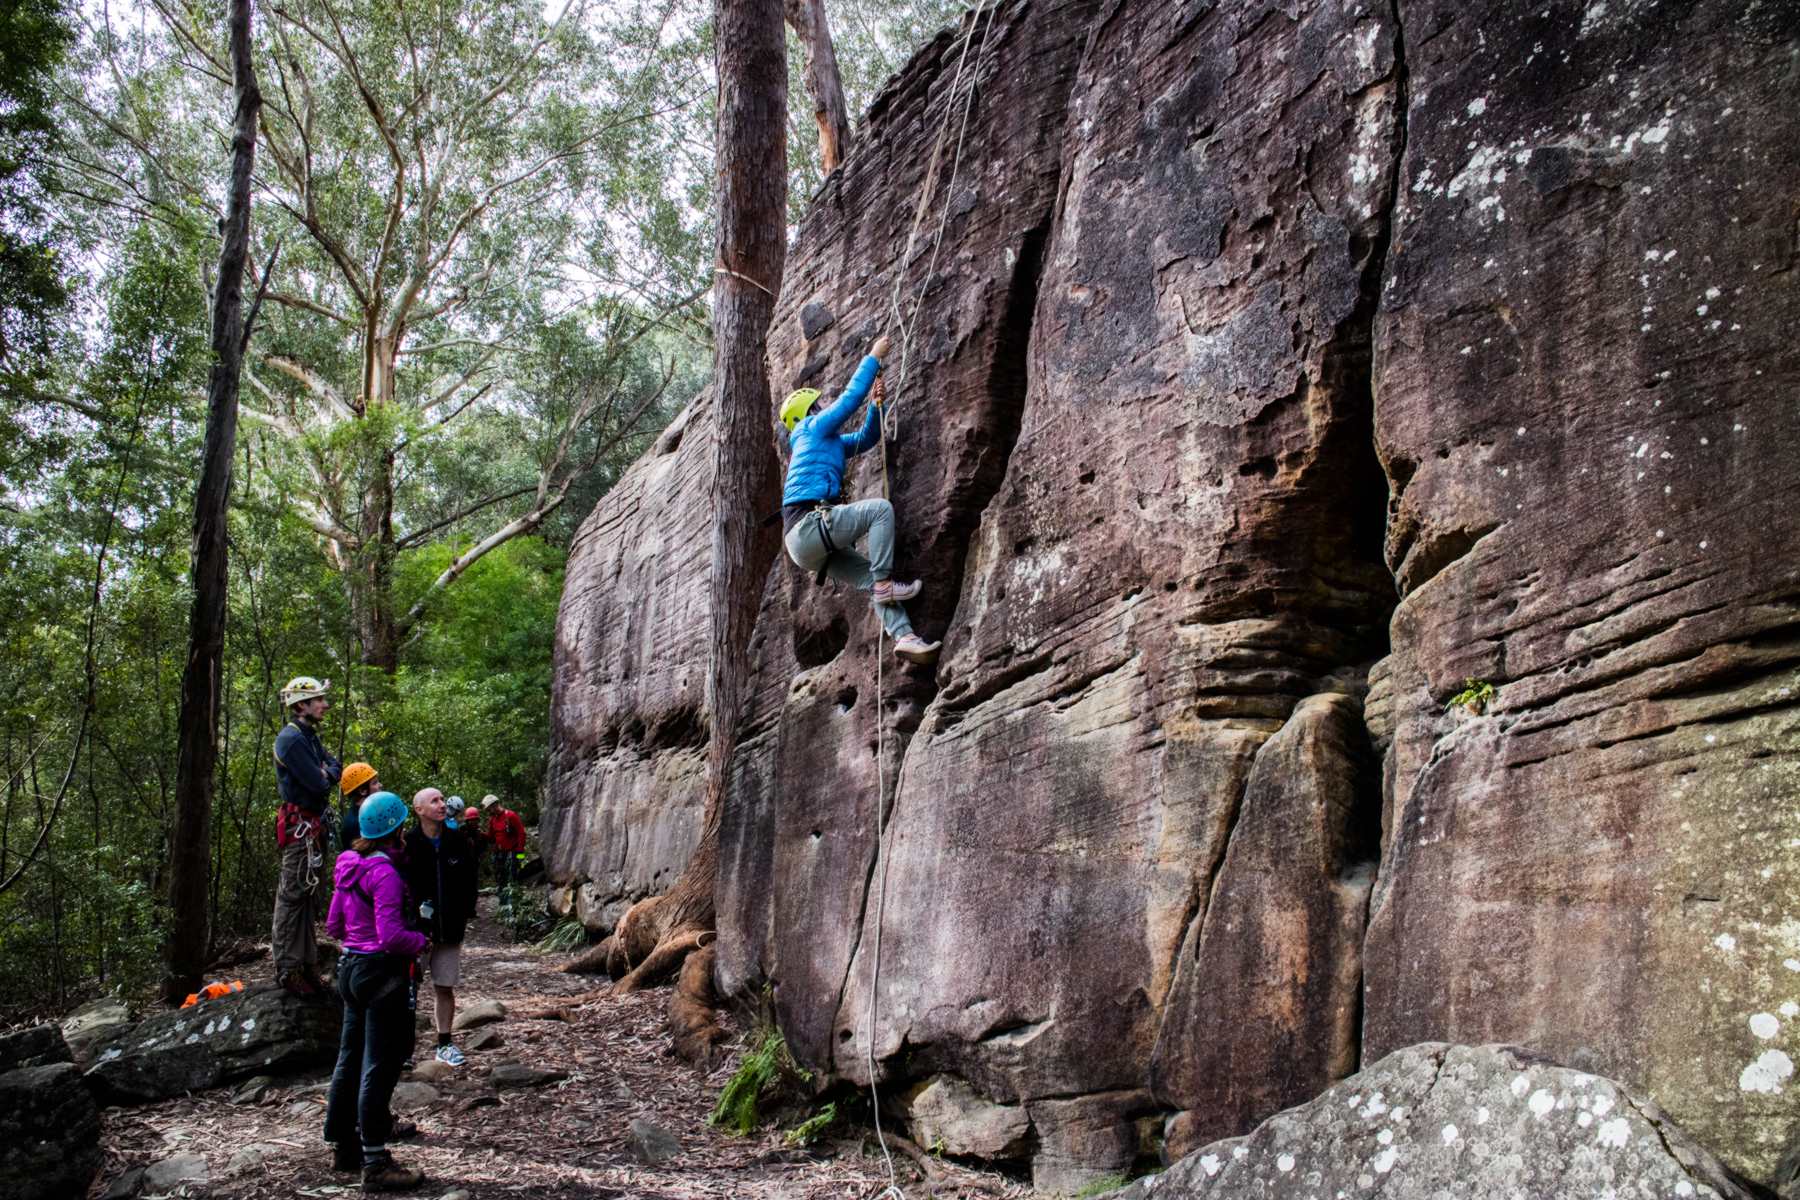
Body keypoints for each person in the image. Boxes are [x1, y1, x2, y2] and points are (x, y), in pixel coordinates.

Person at [778, 333, 940, 665]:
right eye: (818, 405)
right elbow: (849, 399)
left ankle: (905, 637)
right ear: (809, 411)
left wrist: (876, 408)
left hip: (805, 545)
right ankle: (885, 584)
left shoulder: (828, 442)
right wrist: (873, 357)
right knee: (880, 511)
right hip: (808, 526)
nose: (823, 407)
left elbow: (866, 439)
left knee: (869, 577)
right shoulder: (810, 429)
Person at [323, 790, 428, 1193]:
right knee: (379, 1066)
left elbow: (334, 926)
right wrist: (419, 941)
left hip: (350, 970)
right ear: (395, 829)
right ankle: (376, 1163)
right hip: (380, 974)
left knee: (349, 1060)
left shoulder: (349, 867)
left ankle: (344, 1145)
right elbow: (390, 936)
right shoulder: (383, 872)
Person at [272, 675, 341, 997]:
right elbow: (320, 782)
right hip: (301, 828)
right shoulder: (292, 739)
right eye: (319, 701)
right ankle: (287, 969)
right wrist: (327, 772)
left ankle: (307, 963)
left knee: (308, 897)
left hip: (312, 827)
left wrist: (328, 771)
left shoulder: (307, 736)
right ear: (301, 705)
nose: (325, 705)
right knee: (292, 896)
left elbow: (333, 768)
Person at [400, 788, 478, 1068]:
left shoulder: (458, 841)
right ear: (419, 809)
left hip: (450, 930)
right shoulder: (407, 844)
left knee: (444, 987)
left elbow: (471, 880)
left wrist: (464, 913)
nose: (442, 805)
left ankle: (444, 1044)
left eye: (442, 800)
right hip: (415, 933)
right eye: (434, 801)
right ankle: (404, 1051)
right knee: (408, 989)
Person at [481, 795, 526, 888]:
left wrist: (520, 852)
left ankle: (515, 894)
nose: (489, 812)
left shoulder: (510, 815)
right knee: (501, 876)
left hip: (514, 851)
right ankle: (503, 896)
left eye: (489, 809)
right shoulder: (493, 820)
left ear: (495, 805)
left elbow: (521, 833)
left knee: (515, 873)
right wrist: (480, 833)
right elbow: (491, 838)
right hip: (500, 853)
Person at [338, 762, 380, 849]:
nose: (380, 785)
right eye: (375, 783)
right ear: (362, 791)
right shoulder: (354, 824)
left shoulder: (367, 813)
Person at [461, 806, 487, 887]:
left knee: (473, 882)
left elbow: (482, 850)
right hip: (462, 862)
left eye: (475, 820)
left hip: (474, 862)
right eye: (471, 820)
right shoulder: (461, 831)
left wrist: (485, 865)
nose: (473, 822)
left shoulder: (479, 833)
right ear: (467, 821)